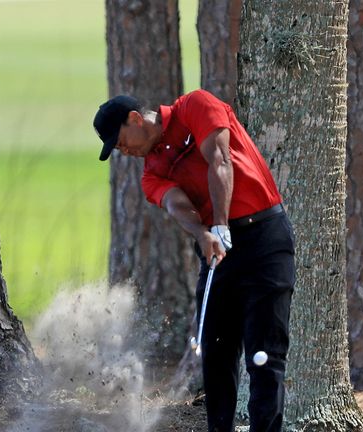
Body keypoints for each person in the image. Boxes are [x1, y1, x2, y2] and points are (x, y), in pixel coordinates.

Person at [93, 89, 296, 432]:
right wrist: (204, 233)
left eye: (120, 140)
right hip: (217, 252)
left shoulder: (195, 107)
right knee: (216, 358)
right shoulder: (151, 173)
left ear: (135, 119)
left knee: (265, 358)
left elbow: (219, 158)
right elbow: (177, 205)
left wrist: (220, 221)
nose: (122, 150)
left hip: (264, 239)